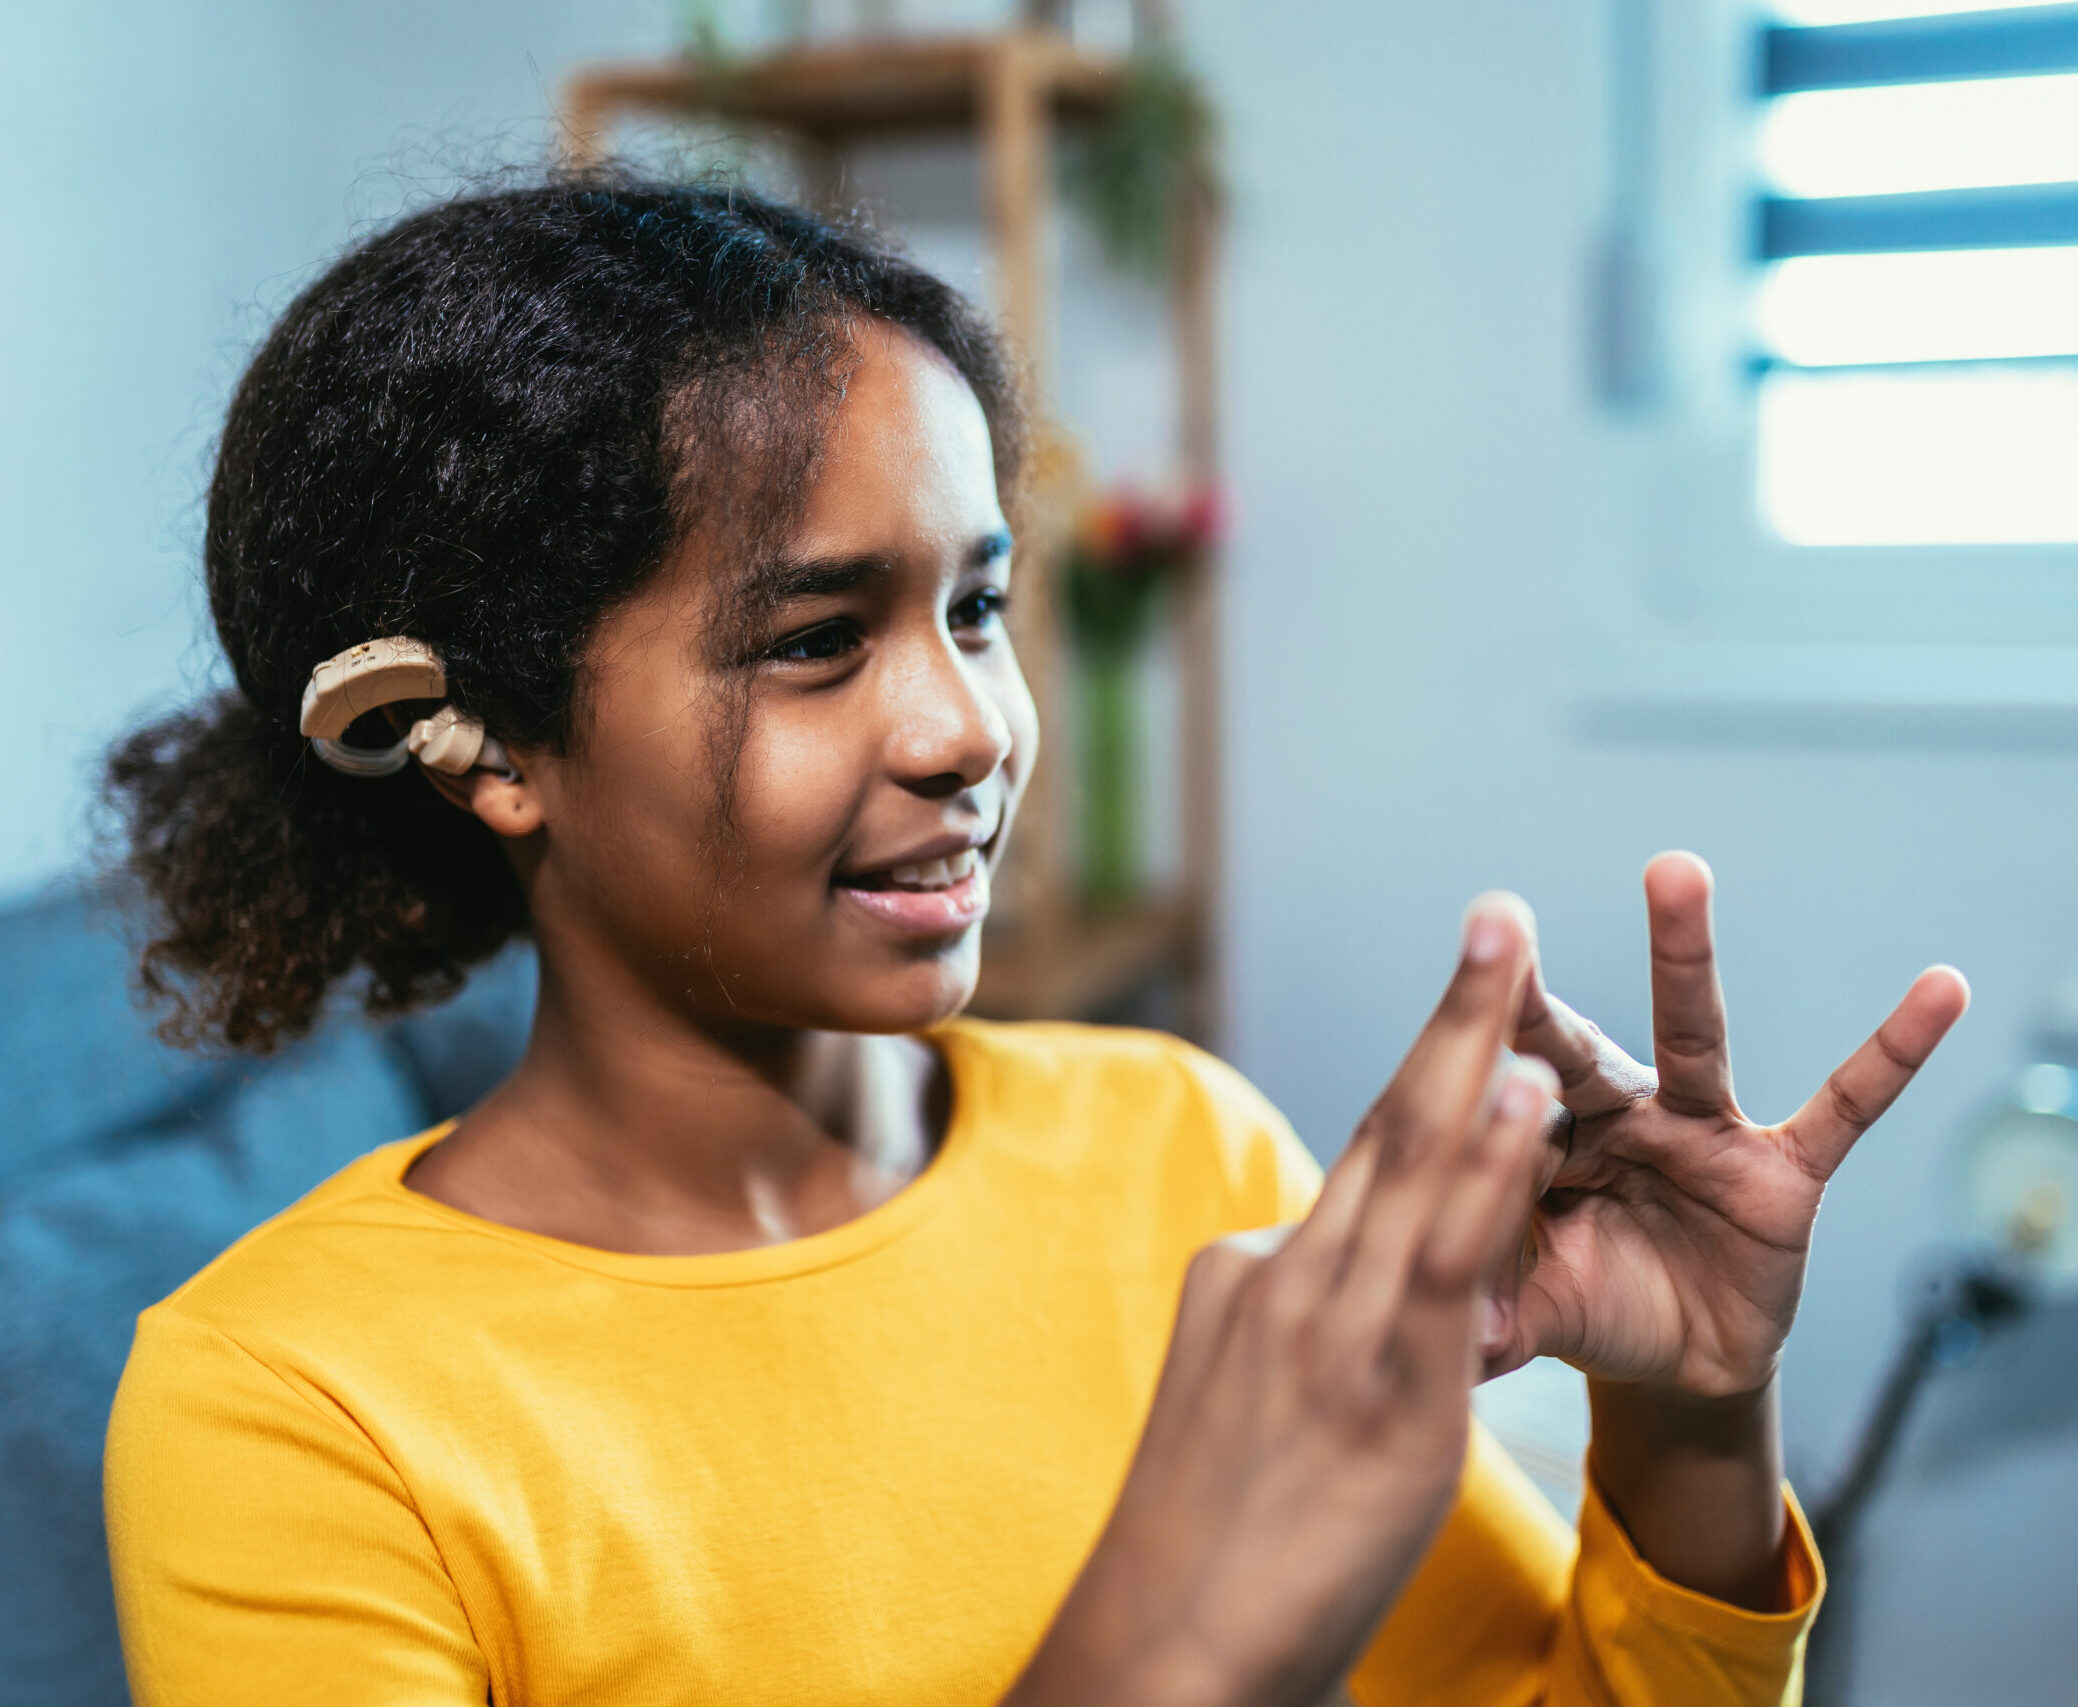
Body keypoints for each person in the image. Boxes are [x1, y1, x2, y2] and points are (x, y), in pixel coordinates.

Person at [100, 176, 1968, 1707]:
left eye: (977, 604)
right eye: (816, 639)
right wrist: (1168, 1654)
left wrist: (1693, 1419)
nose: (971, 725)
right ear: (491, 743)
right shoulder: (289, 1406)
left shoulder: (1175, 1148)